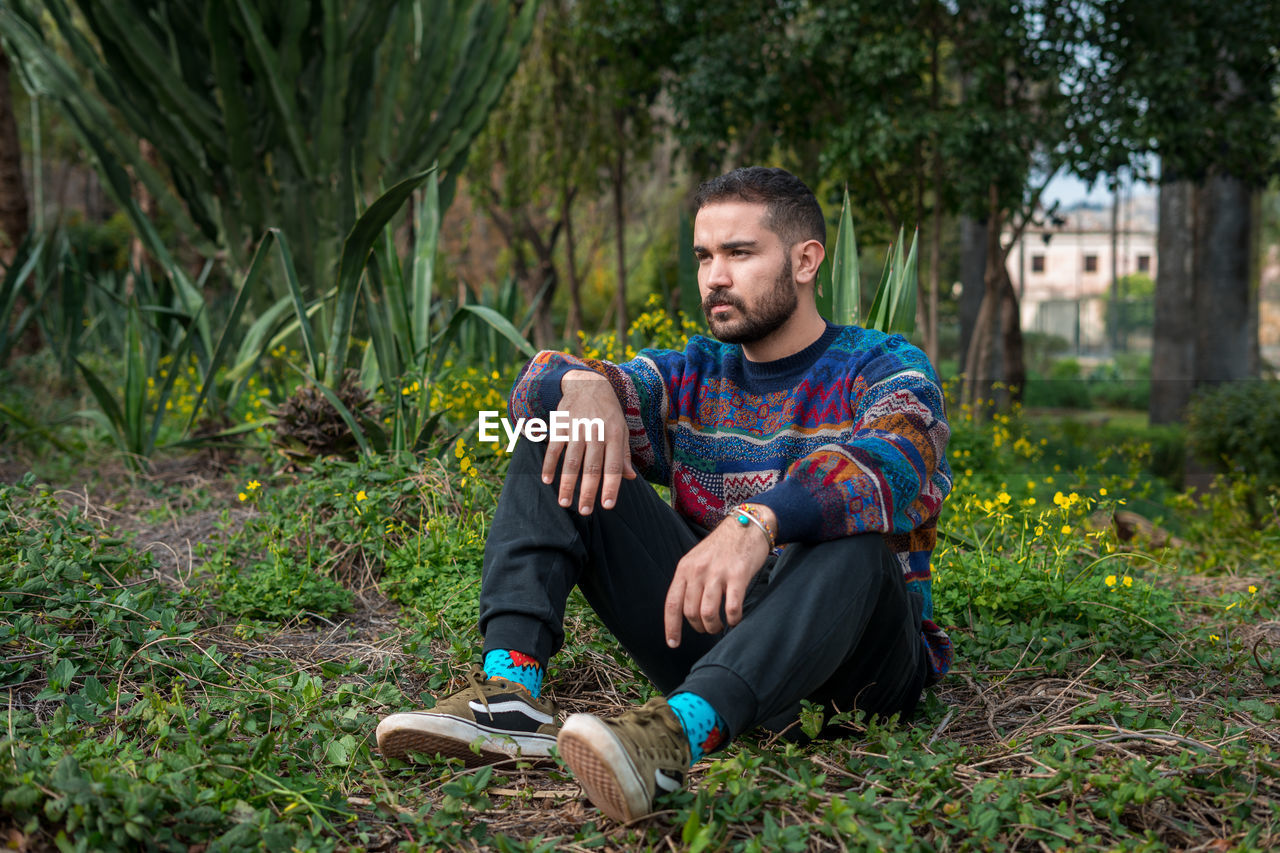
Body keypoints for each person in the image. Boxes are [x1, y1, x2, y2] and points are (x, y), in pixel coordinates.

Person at [375, 166, 953, 823]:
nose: (714, 277)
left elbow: (896, 460)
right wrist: (581, 387)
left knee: (855, 544)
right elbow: (530, 398)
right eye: (705, 255)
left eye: (739, 253)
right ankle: (513, 694)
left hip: (858, 667)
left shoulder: (882, 365)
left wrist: (759, 520)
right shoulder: (692, 376)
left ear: (805, 260)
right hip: (718, 635)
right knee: (554, 432)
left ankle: (673, 740)